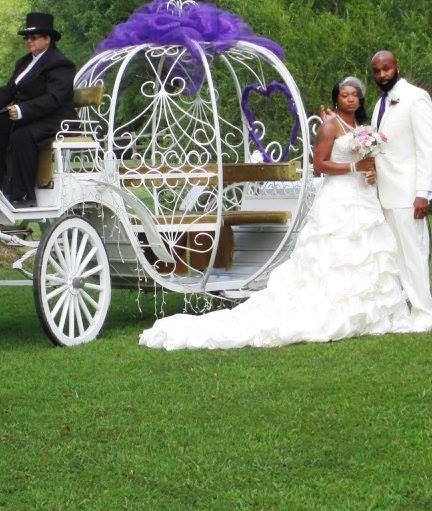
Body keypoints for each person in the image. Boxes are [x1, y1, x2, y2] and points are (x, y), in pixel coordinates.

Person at [140, 76, 412, 351]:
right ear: (336, 98)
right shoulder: (330, 126)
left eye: (354, 95)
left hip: (361, 197)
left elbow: (363, 159)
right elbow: (319, 164)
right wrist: (353, 169)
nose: (350, 99)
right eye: (345, 95)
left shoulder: (360, 127)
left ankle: (368, 310)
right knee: (335, 253)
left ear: (360, 100)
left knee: (367, 249)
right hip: (338, 198)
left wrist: (368, 170)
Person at [0, 12, 76, 208]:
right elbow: (7, 91)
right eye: (27, 38)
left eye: (34, 37)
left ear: (47, 38)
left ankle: (22, 194)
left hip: (56, 119)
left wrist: (23, 109)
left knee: (22, 136)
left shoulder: (60, 63)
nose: (29, 41)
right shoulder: (24, 62)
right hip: (27, 116)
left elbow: (54, 98)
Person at [368, 50, 432, 330]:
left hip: (409, 193)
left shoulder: (415, 97)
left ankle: (425, 312)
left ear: (396, 66)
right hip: (384, 193)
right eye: (377, 71)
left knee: (415, 254)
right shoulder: (378, 104)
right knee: (395, 255)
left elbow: (426, 149)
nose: (382, 74)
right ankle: (404, 309)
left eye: (386, 68)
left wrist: (424, 192)